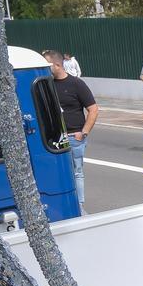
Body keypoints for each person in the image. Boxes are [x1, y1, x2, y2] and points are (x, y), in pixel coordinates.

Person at [45, 50, 97, 210]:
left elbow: (93, 109)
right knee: (58, 173)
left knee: (76, 172)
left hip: (75, 137)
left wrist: (84, 133)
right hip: (54, 138)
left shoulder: (76, 84)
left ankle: (79, 207)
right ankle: (63, 205)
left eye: (47, 64)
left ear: (58, 64)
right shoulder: (46, 84)